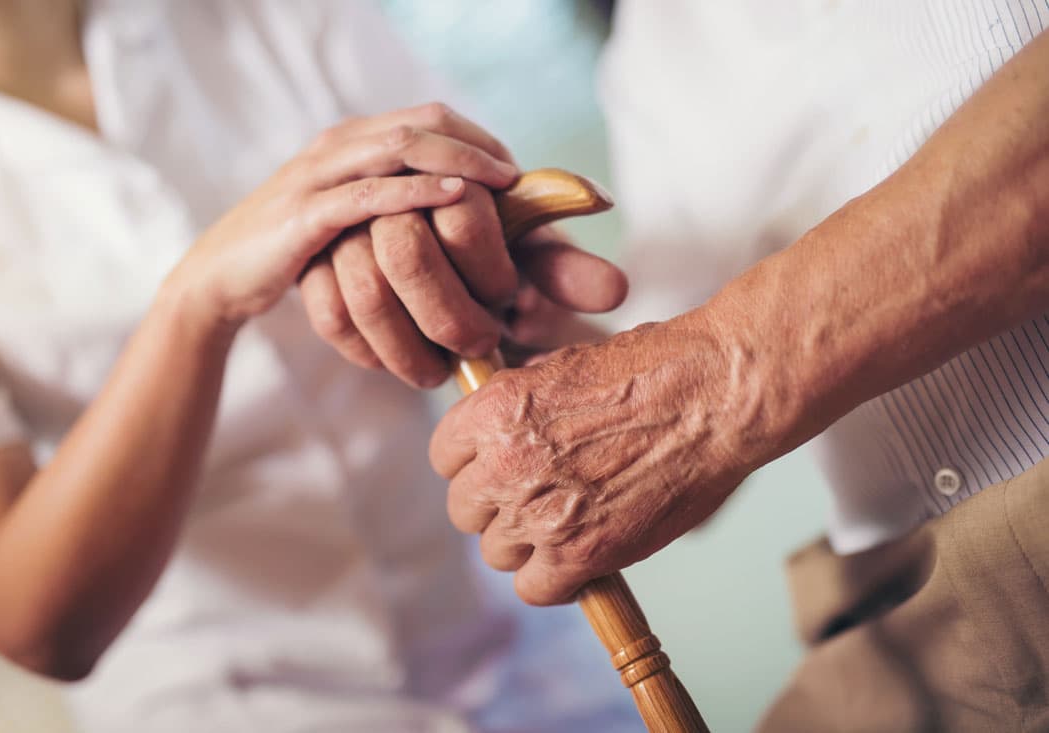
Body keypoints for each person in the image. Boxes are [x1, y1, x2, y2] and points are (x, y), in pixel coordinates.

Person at [0, 1, 638, 731]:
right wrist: (198, 300)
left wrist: (508, 294)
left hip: (523, 657)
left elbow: (548, 314)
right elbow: (36, 624)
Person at [431, 2, 1049, 730]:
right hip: (897, 605)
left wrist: (720, 378)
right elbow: (664, 422)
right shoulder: (650, 50)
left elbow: (699, 391)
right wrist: (551, 352)